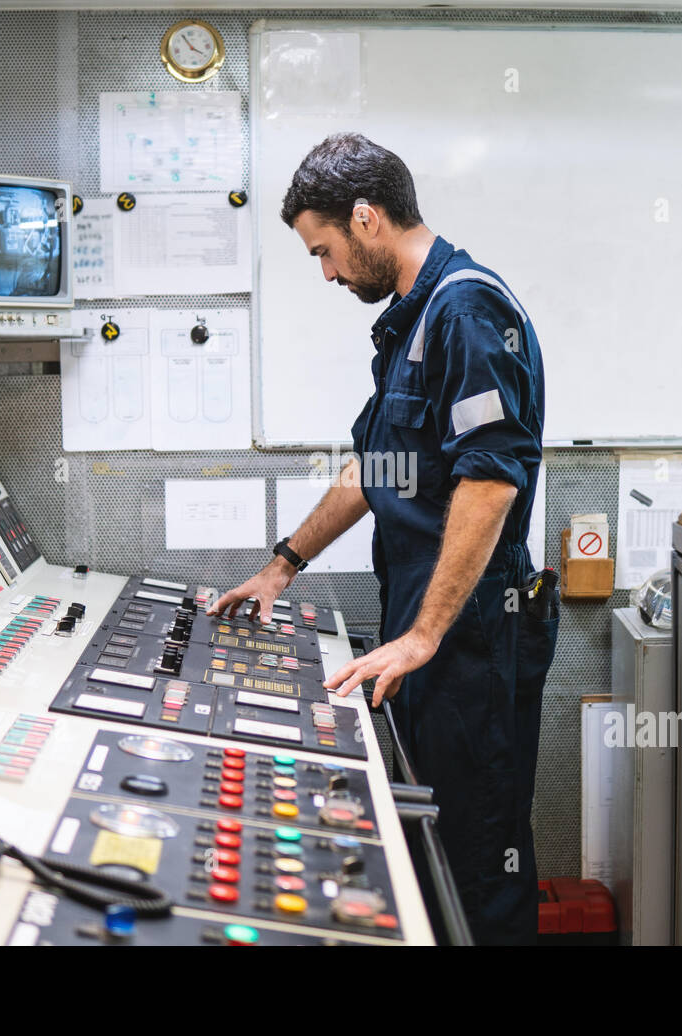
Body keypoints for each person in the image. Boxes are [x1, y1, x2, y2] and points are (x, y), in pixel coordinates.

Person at [208, 132, 557, 944]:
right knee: (434, 851)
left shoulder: (468, 309)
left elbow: (493, 476)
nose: (327, 273)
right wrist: (282, 567)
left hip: (468, 634)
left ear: (367, 219)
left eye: (325, 251)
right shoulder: (414, 318)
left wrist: (427, 632)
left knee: (479, 856)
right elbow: (376, 468)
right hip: (426, 631)